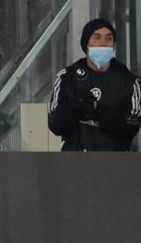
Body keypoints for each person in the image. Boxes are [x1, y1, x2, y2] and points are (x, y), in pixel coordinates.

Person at [49, 18, 141, 151]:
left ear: (113, 44)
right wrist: (77, 109)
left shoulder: (130, 81)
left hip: (115, 165)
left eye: (109, 39)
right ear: (86, 43)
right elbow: (55, 125)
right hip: (74, 163)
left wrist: (98, 109)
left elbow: (130, 127)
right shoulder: (67, 77)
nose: (103, 43)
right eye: (97, 38)